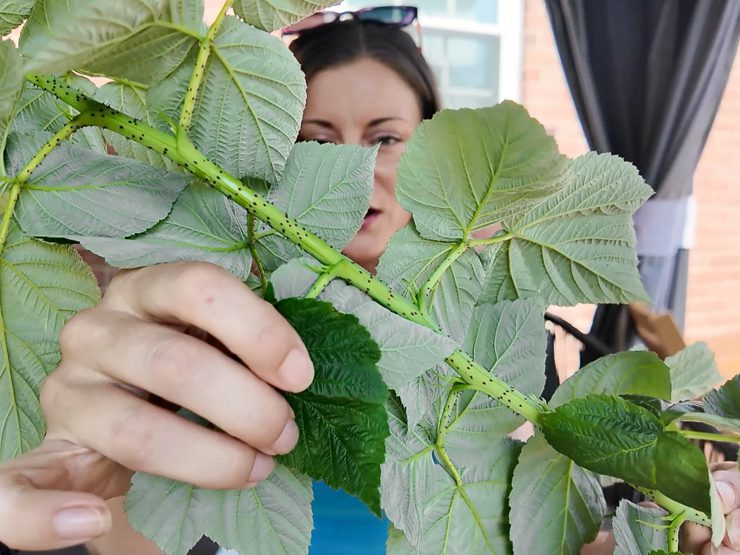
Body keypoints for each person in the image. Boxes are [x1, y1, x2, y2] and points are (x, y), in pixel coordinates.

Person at [0, 14, 737, 555]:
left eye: (386, 137)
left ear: (439, 157)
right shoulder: (205, 331)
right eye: (316, 141)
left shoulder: (502, 331)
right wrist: (118, 465)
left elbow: (530, 518)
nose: (356, 168)